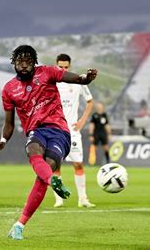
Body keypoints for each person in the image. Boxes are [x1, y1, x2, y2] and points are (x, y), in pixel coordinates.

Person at [0, 45, 98, 240]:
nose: (23, 65)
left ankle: (24, 217)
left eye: (28, 61)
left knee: (43, 172)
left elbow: (75, 79)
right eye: (19, 61)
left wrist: (86, 79)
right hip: (35, 131)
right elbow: (9, 123)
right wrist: (3, 140)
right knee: (33, 151)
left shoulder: (47, 72)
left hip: (59, 132)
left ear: (34, 63)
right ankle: (19, 225)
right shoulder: (9, 89)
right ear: (14, 63)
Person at [53, 53, 95, 208]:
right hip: (56, 129)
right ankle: (59, 199)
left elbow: (90, 102)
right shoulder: (53, 81)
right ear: (56, 65)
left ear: (69, 66)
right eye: (60, 67)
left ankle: (83, 199)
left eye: (66, 67)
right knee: (55, 165)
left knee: (78, 164)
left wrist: (82, 121)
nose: (63, 69)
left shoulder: (78, 80)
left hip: (73, 130)